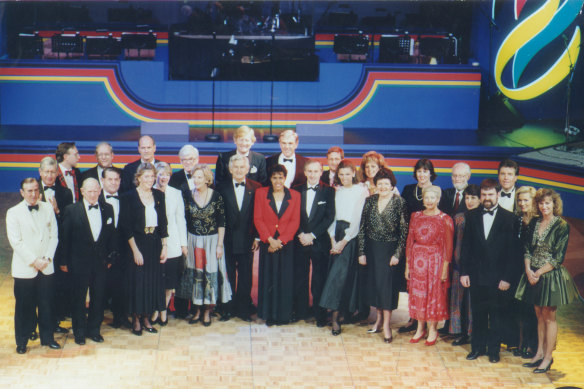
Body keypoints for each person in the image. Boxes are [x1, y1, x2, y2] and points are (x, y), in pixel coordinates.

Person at [515, 189, 579, 373]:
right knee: (539, 314)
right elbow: (527, 248)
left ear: (554, 205)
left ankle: (548, 357)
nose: (544, 207)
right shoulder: (534, 221)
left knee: (549, 317)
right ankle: (539, 353)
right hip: (532, 273)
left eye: (548, 203)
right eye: (541, 203)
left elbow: (557, 257)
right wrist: (528, 270)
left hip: (549, 276)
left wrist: (538, 273)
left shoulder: (561, 226)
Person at [460, 178, 522, 363]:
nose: (486, 198)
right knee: (478, 314)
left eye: (490, 194)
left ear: (497, 195)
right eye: (484, 194)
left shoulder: (510, 218)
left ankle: (494, 351)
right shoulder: (470, 216)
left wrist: (507, 278)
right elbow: (466, 247)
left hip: (499, 278)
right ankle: (477, 348)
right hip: (476, 276)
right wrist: (464, 272)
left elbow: (513, 253)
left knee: (497, 316)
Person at [6, 178, 60, 353]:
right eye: (29, 191)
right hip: (25, 269)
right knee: (23, 307)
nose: (33, 194)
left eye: (36, 190)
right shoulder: (13, 213)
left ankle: (48, 338)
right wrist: (34, 261)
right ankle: (22, 342)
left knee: (47, 304)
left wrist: (46, 259)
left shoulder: (47, 208)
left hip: (46, 267)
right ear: (22, 193)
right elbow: (16, 242)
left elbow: (54, 236)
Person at [61, 178, 117, 345]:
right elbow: (65, 238)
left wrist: (111, 258)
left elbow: (111, 236)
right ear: (83, 192)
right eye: (89, 191)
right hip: (78, 263)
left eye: (95, 191)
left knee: (98, 298)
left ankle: (94, 330)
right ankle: (79, 332)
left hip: (100, 263)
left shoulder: (108, 209)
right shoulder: (71, 210)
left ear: (100, 191)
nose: (92, 195)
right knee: (78, 298)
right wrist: (63, 261)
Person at [177, 164, 231, 326]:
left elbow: (222, 222)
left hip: (212, 240)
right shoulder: (186, 195)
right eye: (194, 177)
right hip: (194, 241)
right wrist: (184, 244)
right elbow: (183, 221)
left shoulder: (216, 196)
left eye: (200, 177)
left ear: (207, 179)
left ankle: (208, 310)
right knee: (196, 275)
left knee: (210, 274)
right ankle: (197, 309)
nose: (196, 180)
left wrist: (220, 245)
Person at [358, 168, 408, 343]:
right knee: (376, 287)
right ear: (375, 185)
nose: (383, 187)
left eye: (386, 184)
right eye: (380, 184)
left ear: (392, 185)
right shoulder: (369, 201)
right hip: (372, 250)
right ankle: (378, 320)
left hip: (390, 251)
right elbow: (362, 228)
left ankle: (386, 325)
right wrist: (362, 252)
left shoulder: (399, 202)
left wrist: (398, 254)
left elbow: (404, 231)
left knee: (387, 290)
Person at [319, 160, 369, 336]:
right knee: (335, 275)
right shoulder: (336, 191)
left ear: (354, 173)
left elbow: (357, 219)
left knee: (341, 277)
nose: (345, 177)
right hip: (335, 234)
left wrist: (344, 241)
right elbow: (332, 216)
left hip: (350, 236)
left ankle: (337, 317)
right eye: (341, 174)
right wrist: (333, 239)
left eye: (348, 174)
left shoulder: (361, 191)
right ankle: (335, 315)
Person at [119, 163, 168, 335]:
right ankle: (136, 320)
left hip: (154, 242)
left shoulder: (159, 195)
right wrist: (135, 251)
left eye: (152, 176)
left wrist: (165, 246)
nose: (150, 180)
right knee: (137, 282)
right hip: (136, 243)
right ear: (138, 178)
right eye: (146, 176)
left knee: (151, 282)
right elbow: (126, 226)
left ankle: (147, 317)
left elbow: (163, 223)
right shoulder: (128, 196)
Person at [405, 185, 453, 346]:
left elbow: (448, 246)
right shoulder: (415, 216)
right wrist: (407, 265)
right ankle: (420, 327)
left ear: (438, 199)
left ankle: (433, 329)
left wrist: (445, 269)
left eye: (433, 198)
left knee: (433, 295)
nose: (429, 201)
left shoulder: (445, 219)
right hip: (417, 261)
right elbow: (410, 241)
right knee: (418, 294)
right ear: (423, 199)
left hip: (435, 262)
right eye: (427, 197)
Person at [254, 164, 301, 325]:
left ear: (285, 178)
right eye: (274, 177)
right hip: (269, 244)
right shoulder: (261, 193)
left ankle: (283, 315)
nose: (278, 180)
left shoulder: (295, 195)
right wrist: (269, 240)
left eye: (281, 177)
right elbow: (258, 219)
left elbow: (295, 221)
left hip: (286, 244)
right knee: (269, 279)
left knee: (285, 279)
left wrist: (280, 241)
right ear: (270, 178)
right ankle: (270, 315)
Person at [217, 155, 262, 322]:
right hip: (227, 240)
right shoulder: (221, 188)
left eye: (242, 167)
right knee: (228, 275)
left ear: (248, 169)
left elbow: (258, 214)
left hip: (248, 239)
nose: (238, 170)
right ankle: (227, 309)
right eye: (235, 167)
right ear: (230, 169)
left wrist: (257, 238)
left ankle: (243, 309)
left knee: (245, 275)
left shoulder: (257, 187)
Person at [292, 159, 335, 325]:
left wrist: (313, 235)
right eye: (309, 171)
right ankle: (301, 312)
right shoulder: (296, 190)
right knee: (300, 277)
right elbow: (292, 215)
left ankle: (320, 315)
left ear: (321, 172)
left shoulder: (329, 191)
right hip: (300, 240)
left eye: (315, 171)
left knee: (319, 279)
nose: (312, 174)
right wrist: (301, 234)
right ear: (304, 172)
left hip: (319, 242)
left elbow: (329, 217)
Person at [399, 158, 438, 334]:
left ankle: (427, 322)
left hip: (430, 246)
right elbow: (401, 214)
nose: (422, 174)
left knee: (428, 284)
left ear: (431, 173)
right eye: (419, 171)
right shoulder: (408, 190)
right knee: (413, 283)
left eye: (425, 171)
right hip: (411, 241)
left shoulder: (437, 191)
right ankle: (413, 318)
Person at [150, 162, 188, 326]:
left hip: (172, 242)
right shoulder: (148, 191)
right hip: (153, 242)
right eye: (160, 173)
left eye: (166, 174)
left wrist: (183, 245)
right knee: (156, 278)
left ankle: (163, 311)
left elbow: (180, 219)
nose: (163, 177)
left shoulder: (176, 193)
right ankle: (154, 310)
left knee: (169, 280)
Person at [38, 156, 73, 335]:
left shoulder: (65, 193)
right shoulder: (32, 189)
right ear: (40, 172)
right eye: (47, 172)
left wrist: (58, 211)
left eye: (53, 172)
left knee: (55, 288)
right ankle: (32, 327)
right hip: (37, 250)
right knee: (35, 291)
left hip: (57, 250)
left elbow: (68, 224)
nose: (50, 176)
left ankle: (54, 322)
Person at [168, 144, 199, 318]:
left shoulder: (205, 176)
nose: (188, 162)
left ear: (198, 160)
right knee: (182, 269)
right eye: (184, 159)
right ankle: (180, 309)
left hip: (200, 232)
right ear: (180, 161)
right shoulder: (175, 178)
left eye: (191, 159)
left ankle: (196, 308)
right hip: (181, 230)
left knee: (197, 268)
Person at [448, 184, 480, 346]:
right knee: (457, 300)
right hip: (458, 266)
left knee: (473, 302)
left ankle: (473, 333)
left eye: (473, 198)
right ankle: (459, 332)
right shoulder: (459, 217)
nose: (469, 201)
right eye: (467, 198)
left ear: (480, 199)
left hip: (477, 267)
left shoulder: (483, 217)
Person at [99, 167, 129, 329]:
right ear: (102, 181)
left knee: (121, 286)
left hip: (123, 251)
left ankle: (121, 318)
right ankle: (96, 321)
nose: (113, 183)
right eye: (110, 179)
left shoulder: (126, 199)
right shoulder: (95, 200)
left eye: (116, 179)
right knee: (100, 288)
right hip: (102, 253)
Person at [511, 186, 539, 359]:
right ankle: (521, 343)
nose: (522, 203)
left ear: (533, 201)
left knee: (532, 310)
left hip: (534, 271)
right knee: (519, 309)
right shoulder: (517, 219)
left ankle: (532, 346)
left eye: (526, 200)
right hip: (516, 269)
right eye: (520, 200)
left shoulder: (539, 221)